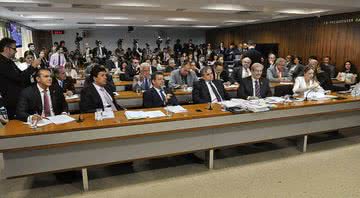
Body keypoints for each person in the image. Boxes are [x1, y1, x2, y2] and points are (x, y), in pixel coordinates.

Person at [0, 38, 41, 119]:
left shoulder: (9, 61)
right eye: (14, 49)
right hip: (10, 101)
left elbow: (21, 75)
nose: (16, 51)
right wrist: (32, 67)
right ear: (6, 49)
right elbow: (18, 78)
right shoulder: (2, 63)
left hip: (18, 99)